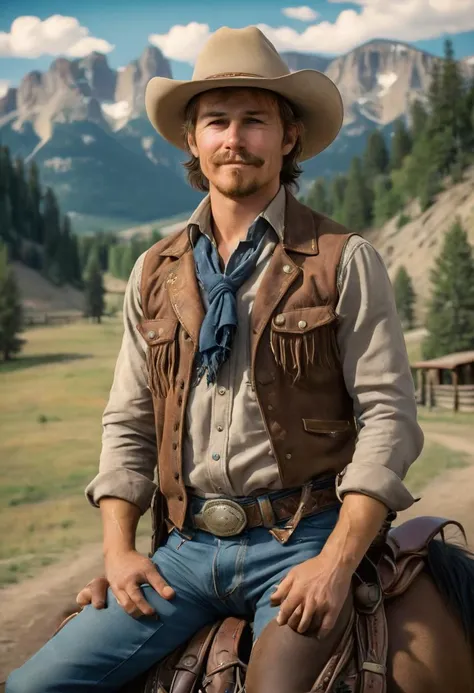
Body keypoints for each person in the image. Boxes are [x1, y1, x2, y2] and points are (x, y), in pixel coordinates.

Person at [6, 25, 424, 693]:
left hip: (303, 537)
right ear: (191, 141)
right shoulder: (155, 271)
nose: (236, 138)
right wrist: (118, 551)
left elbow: (389, 418)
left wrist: (338, 561)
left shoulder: (343, 259)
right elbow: (128, 424)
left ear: (289, 138)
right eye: (218, 121)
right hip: (186, 548)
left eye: (255, 120)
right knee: (33, 686)